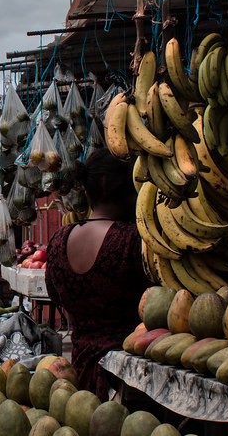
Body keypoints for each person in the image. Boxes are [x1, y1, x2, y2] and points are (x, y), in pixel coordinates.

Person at [45, 147, 149, 399]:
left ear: (87, 192)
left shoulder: (59, 240)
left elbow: (54, 295)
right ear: (131, 192)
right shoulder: (133, 240)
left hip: (76, 376)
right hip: (129, 380)